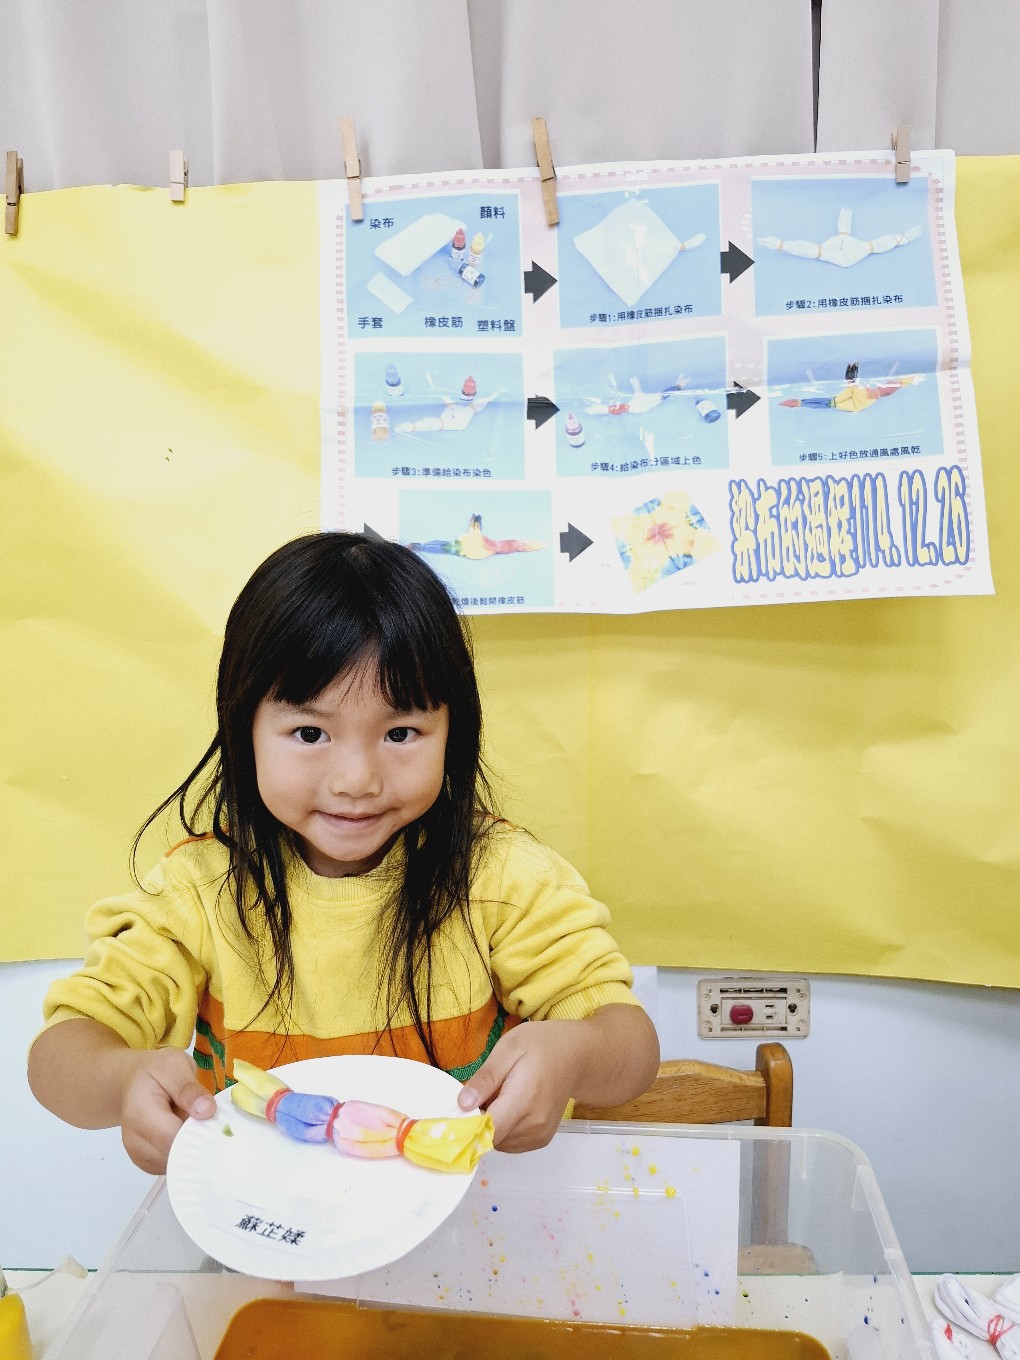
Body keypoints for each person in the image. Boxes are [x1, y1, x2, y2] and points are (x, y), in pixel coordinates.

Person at [28, 532, 659, 1175]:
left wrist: (571, 1053)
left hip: (466, 1210)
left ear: (454, 730)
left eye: (401, 732)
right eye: (310, 733)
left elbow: (631, 1047)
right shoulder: (197, 892)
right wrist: (121, 1082)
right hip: (269, 1212)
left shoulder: (502, 877)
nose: (357, 779)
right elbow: (61, 1054)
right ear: (245, 728)